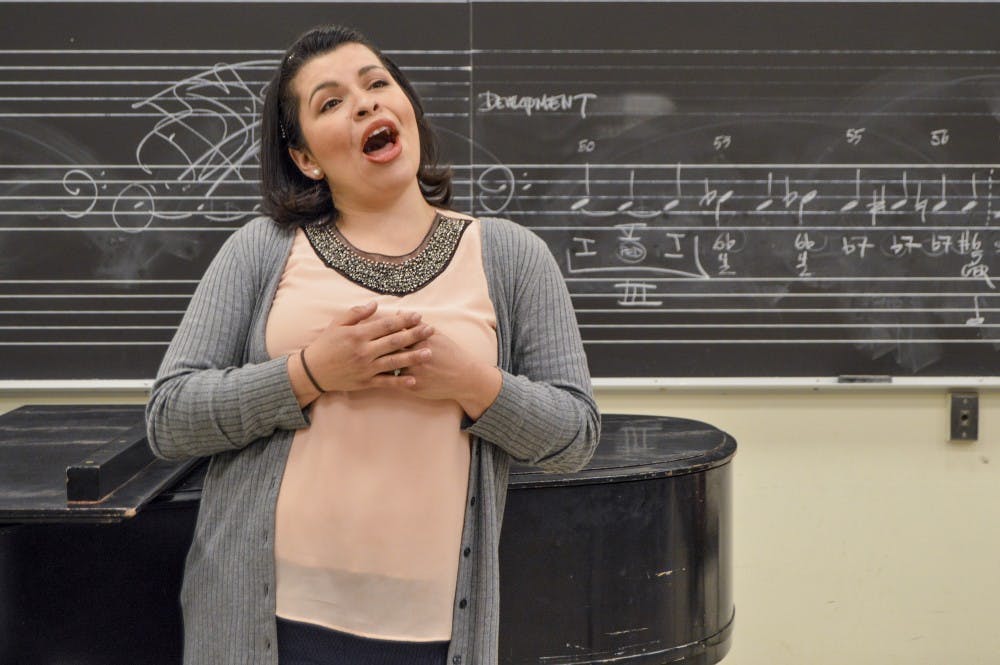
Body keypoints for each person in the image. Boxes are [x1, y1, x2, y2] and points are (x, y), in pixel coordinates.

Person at [145, 24, 600, 665]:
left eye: (377, 84)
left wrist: (469, 381)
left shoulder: (511, 256)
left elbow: (574, 439)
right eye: (330, 103)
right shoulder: (261, 250)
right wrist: (311, 372)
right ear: (306, 158)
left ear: (406, 111)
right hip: (268, 616)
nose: (365, 103)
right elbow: (170, 419)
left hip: (436, 628)